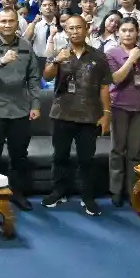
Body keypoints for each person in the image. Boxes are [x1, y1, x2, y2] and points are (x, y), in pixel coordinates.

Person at [42, 16, 111, 215]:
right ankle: (58, 191)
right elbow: (46, 76)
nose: (74, 32)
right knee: (59, 156)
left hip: (89, 116)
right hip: (62, 113)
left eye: (78, 28)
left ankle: (87, 196)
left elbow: (104, 87)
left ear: (86, 29)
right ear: (65, 31)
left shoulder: (99, 56)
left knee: (86, 159)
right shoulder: (59, 53)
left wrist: (106, 114)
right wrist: (56, 61)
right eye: (70, 28)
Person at [0, 8, 39, 211]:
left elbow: (34, 78)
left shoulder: (26, 46)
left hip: (20, 109)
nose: (7, 25)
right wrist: (1, 61)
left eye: (11, 21)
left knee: (19, 154)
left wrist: (36, 104)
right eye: (3, 21)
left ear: (17, 23)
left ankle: (17, 193)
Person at [106, 18, 140, 207]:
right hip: (119, 106)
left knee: (135, 152)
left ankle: (132, 190)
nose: (127, 34)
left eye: (131, 30)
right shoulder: (112, 53)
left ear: (137, 33)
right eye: (124, 30)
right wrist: (131, 59)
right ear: (118, 32)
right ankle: (116, 190)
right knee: (117, 150)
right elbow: (115, 78)